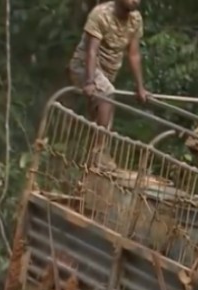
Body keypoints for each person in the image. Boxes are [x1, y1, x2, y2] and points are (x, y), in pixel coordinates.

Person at [68, 0, 148, 166]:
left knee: (102, 116)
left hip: (107, 73)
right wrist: (89, 82)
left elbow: (133, 55)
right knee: (107, 93)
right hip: (84, 67)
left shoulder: (135, 20)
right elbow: (91, 51)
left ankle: (91, 162)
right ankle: (99, 152)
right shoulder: (101, 14)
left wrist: (140, 87)